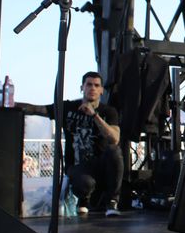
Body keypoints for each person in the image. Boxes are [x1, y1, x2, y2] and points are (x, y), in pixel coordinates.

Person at [17, 71, 123, 217]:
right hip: (78, 166)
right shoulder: (68, 107)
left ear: (101, 90)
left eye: (96, 85)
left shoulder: (108, 112)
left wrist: (94, 115)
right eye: (89, 84)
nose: (92, 88)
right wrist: (10, 104)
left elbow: (114, 138)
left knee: (114, 151)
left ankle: (112, 201)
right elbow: (38, 109)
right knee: (85, 183)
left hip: (101, 165)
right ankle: (84, 200)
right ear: (82, 88)